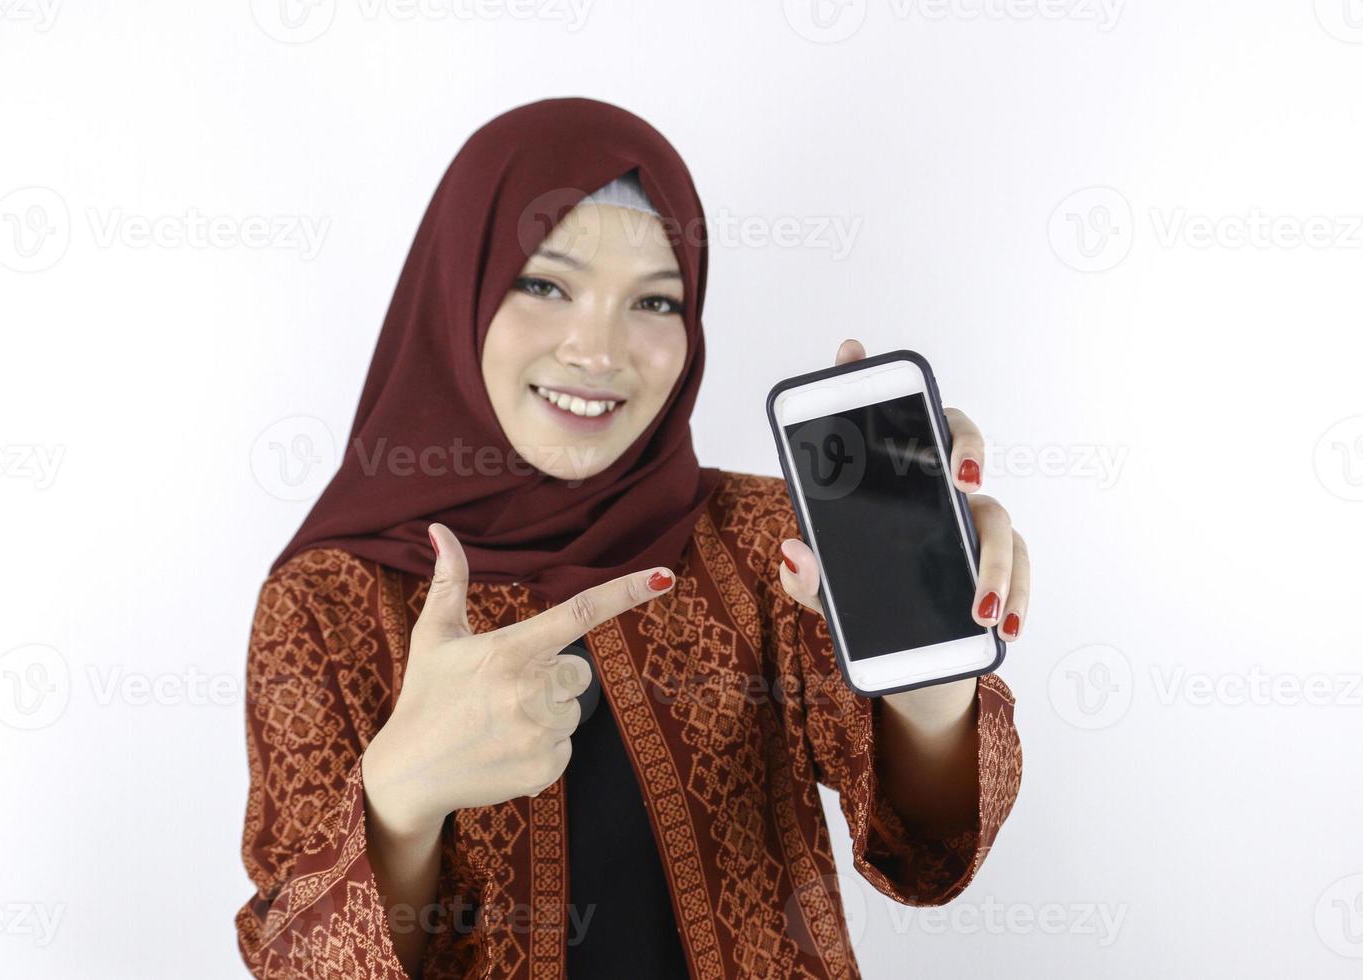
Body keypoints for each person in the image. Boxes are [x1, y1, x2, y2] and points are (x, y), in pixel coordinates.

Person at [235, 96, 1027, 980]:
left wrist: (932, 673)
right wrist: (402, 800)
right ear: (455, 291)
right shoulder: (328, 599)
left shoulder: (775, 544)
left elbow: (928, 856)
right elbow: (295, 963)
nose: (598, 349)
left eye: (654, 301)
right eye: (544, 284)